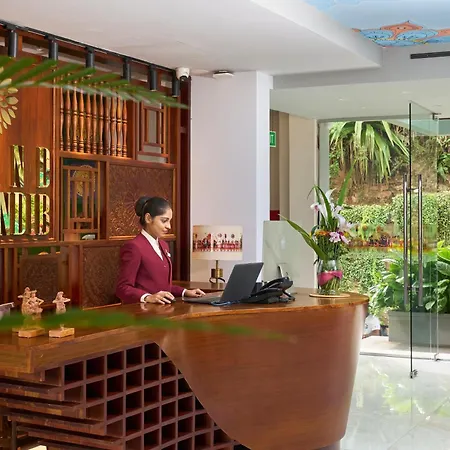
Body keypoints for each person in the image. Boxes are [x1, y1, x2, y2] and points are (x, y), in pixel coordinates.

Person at [116, 196, 205, 304]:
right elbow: (122, 288)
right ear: (148, 218)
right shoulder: (134, 247)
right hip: (140, 311)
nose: (169, 226)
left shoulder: (164, 245)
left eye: (169, 221)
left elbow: (162, 286)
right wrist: (148, 297)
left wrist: (185, 292)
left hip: (162, 309)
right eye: (164, 221)